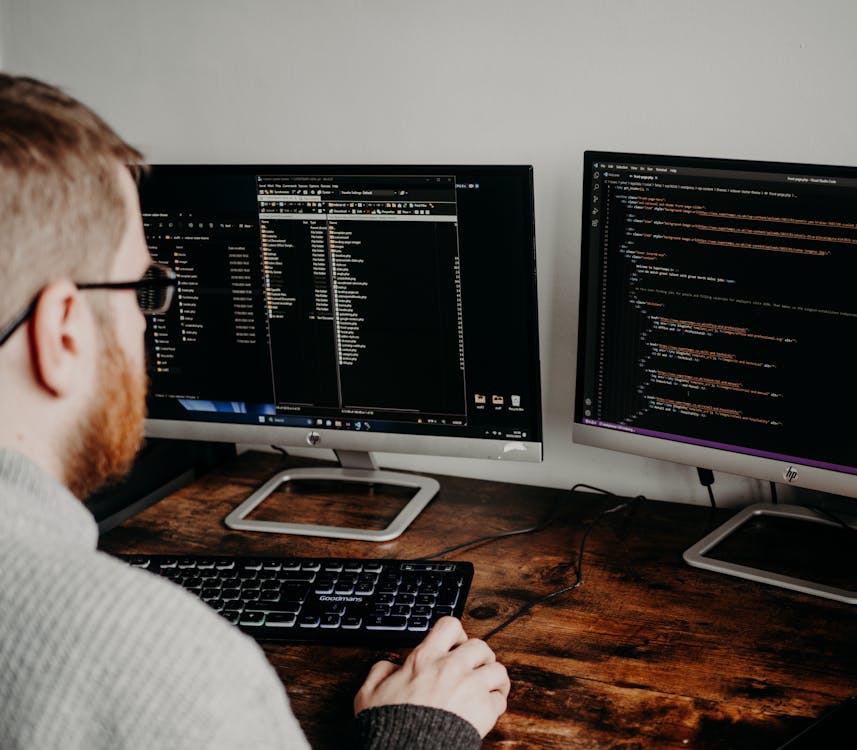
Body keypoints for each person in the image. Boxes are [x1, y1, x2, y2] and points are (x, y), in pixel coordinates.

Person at [0, 73, 510, 749]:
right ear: (64, 328)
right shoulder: (168, 670)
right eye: (143, 287)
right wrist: (417, 730)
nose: (149, 322)